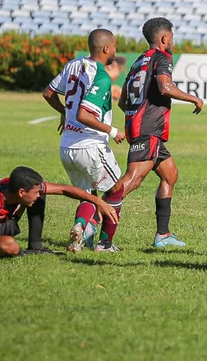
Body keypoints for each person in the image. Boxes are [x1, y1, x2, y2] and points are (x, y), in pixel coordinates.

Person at [112, 18, 204, 249]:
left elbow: (123, 101)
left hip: (142, 127)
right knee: (132, 180)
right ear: (164, 38)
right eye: (172, 36)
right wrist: (193, 97)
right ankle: (92, 218)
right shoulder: (162, 57)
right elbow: (165, 87)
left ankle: (162, 235)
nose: (173, 40)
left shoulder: (138, 61)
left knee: (170, 174)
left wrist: (138, 114)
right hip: (149, 129)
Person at [42, 28, 127, 253]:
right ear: (107, 49)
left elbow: (48, 93)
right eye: (115, 46)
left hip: (66, 147)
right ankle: (104, 244)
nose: (116, 50)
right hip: (90, 146)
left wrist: (64, 112)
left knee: (88, 194)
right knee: (117, 189)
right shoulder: (102, 77)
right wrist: (112, 131)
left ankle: (81, 227)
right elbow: (84, 115)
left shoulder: (73, 65)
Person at [0, 166, 118, 258]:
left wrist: (98, 201)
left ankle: (35, 246)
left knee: (39, 196)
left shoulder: (13, 187)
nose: (38, 193)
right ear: (21, 192)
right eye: (33, 191)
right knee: (10, 246)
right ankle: (3, 245)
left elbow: (64, 189)